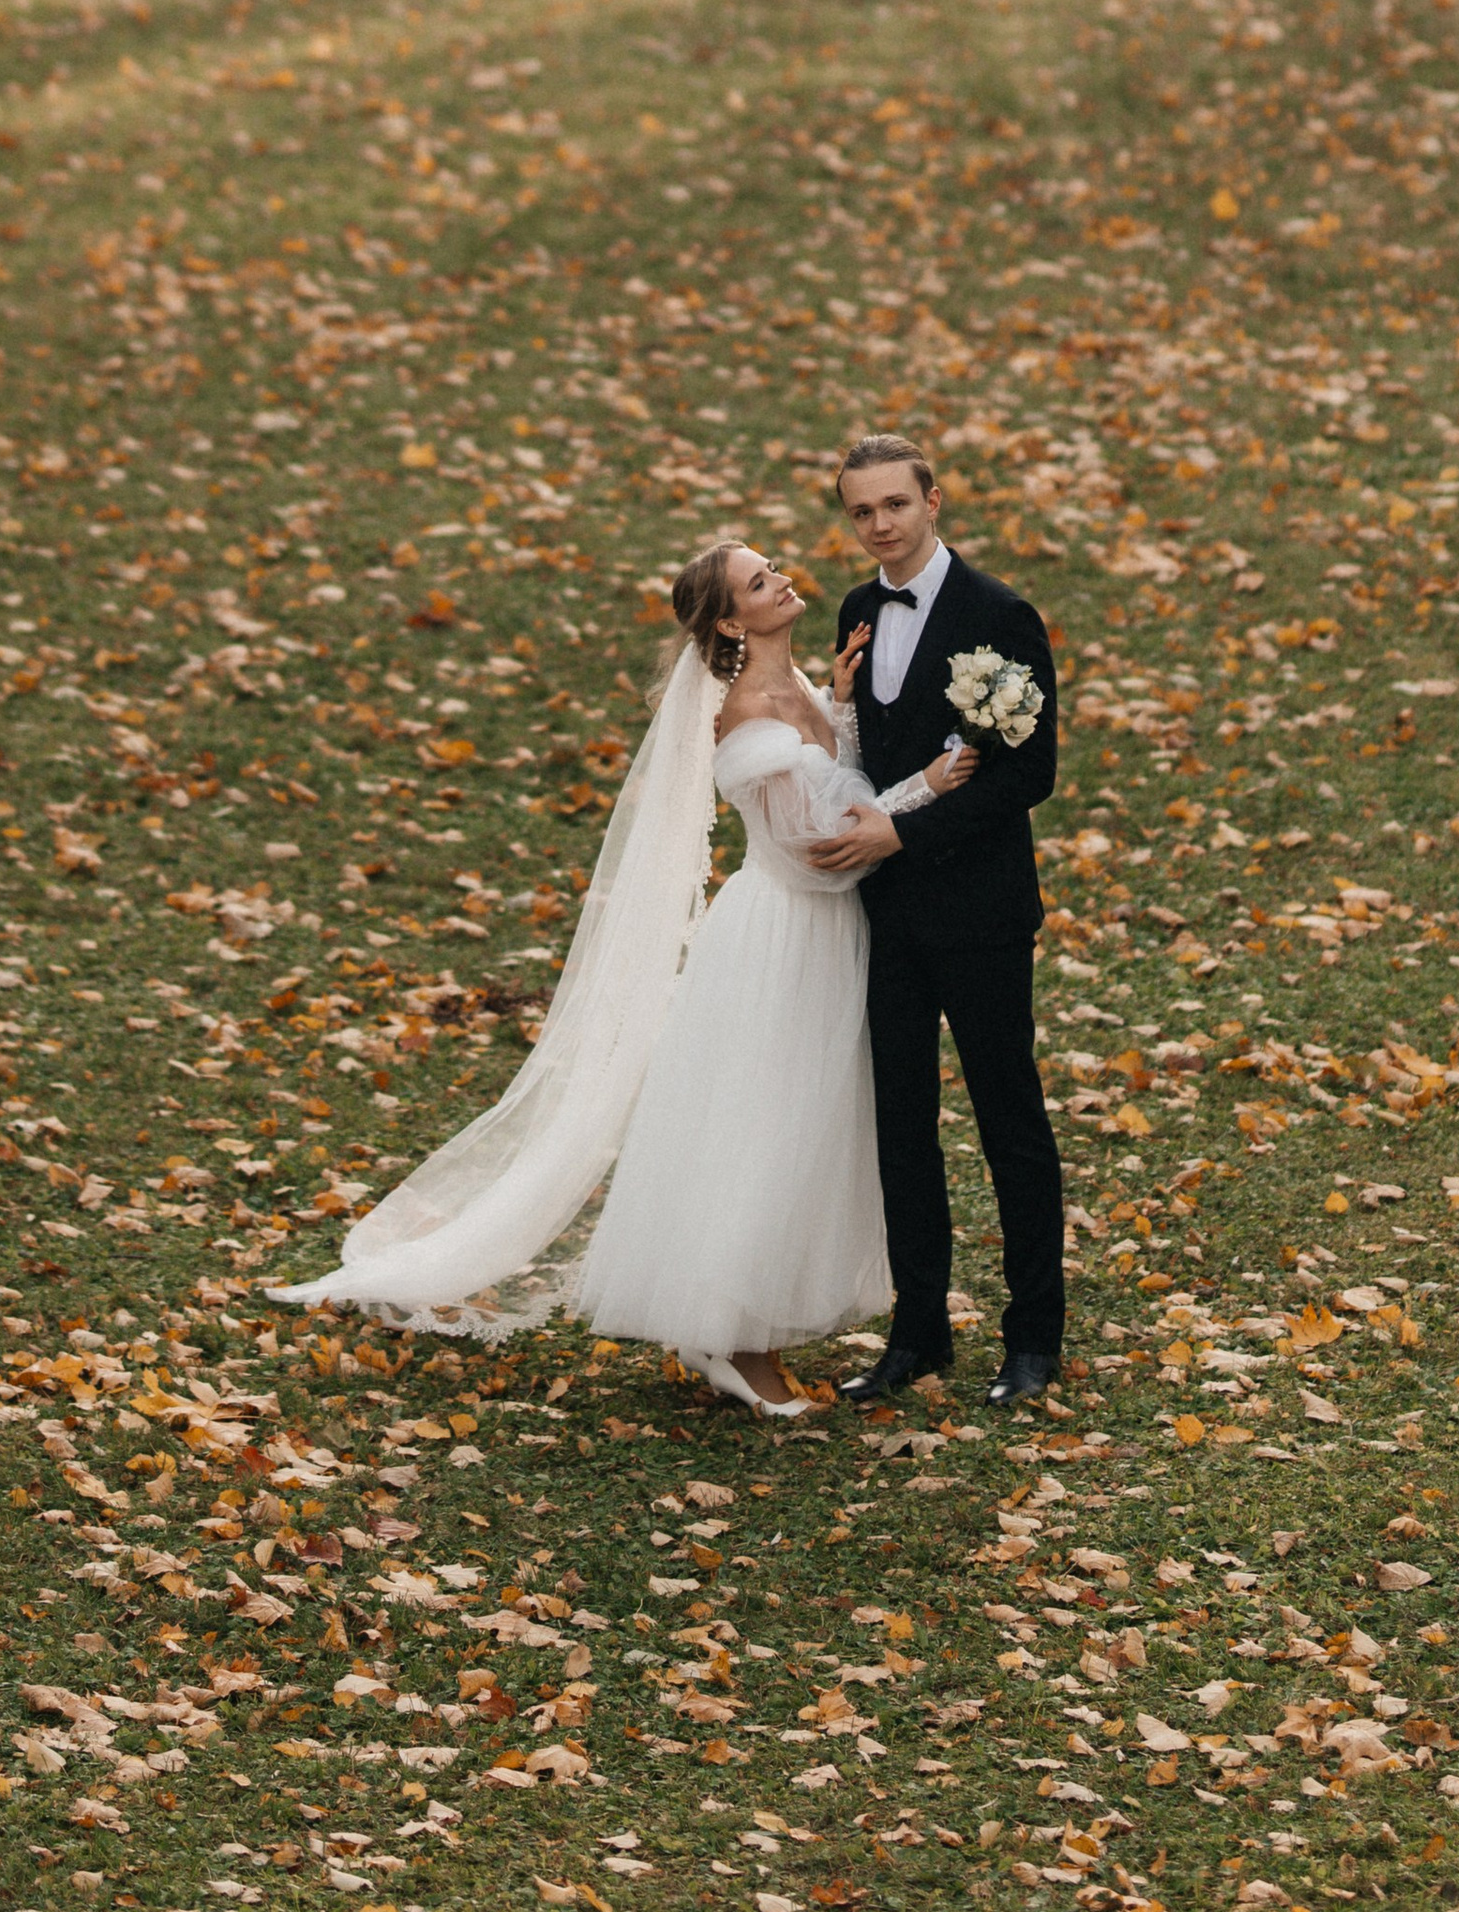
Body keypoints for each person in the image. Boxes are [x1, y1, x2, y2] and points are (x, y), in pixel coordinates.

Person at [264, 540, 970, 1413]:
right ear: (729, 621)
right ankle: (723, 1337)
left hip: (830, 943)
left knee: (808, 1131)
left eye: (774, 566)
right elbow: (816, 852)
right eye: (759, 582)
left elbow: (842, 775)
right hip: (783, 934)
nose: (782, 579)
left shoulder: (803, 693)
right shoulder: (749, 714)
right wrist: (925, 788)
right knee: (762, 1128)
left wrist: (849, 702)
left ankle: (755, 1326)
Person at [814, 431, 1067, 1411]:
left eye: (894, 505)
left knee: (1010, 1124)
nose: (879, 525)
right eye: (860, 512)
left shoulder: (998, 614)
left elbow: (1029, 773)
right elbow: (864, 755)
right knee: (902, 1129)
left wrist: (902, 838)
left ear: (933, 501)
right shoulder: (855, 611)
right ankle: (916, 1333)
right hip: (883, 921)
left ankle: (1033, 1338)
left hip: (981, 912)